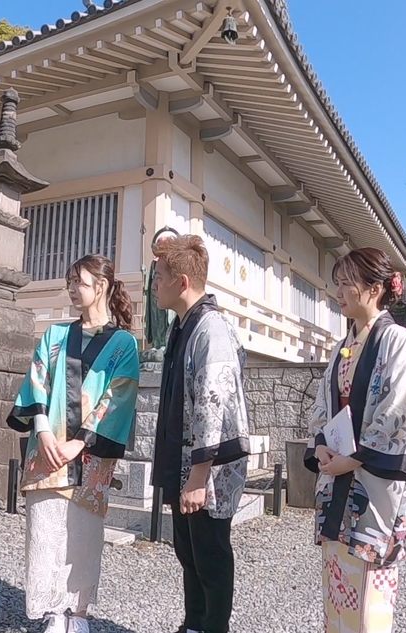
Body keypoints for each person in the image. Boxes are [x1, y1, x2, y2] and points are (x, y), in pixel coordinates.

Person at [8, 254, 140, 633]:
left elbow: (118, 397)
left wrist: (79, 443)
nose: (72, 289)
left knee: (82, 534)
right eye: (70, 283)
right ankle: (52, 609)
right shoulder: (54, 335)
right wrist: (45, 432)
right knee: (45, 529)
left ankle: (78, 611)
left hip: (91, 454)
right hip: (47, 449)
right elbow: (37, 382)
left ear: (101, 285)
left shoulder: (123, 344)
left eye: (78, 282)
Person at [303, 247, 406, 633]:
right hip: (340, 474)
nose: (338, 292)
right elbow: (324, 406)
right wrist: (321, 443)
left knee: (370, 590)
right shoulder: (344, 347)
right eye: (337, 284)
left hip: (374, 481)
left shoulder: (398, 341)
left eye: (347, 284)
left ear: (375, 289)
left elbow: (402, 409)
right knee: (338, 589)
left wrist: (355, 457)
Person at [150, 234, 250, 633]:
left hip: (208, 467)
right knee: (188, 550)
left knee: (209, 552)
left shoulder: (211, 329)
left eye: (159, 277)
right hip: (190, 463)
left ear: (182, 282)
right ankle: (193, 623)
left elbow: (214, 402)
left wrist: (198, 475)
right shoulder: (186, 326)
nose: (154, 285)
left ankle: (213, 627)